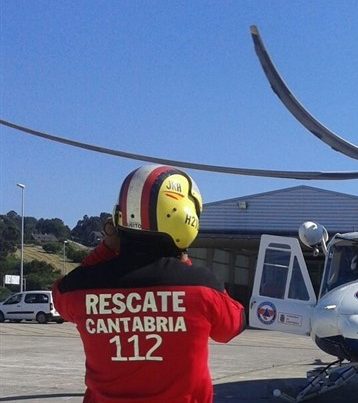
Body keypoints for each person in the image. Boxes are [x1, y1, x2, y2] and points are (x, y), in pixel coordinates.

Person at [53, 164, 245, 403]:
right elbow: (232, 327)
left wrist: (106, 248)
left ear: (120, 217)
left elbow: (60, 297)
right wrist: (182, 260)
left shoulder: (80, 287)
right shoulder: (202, 286)